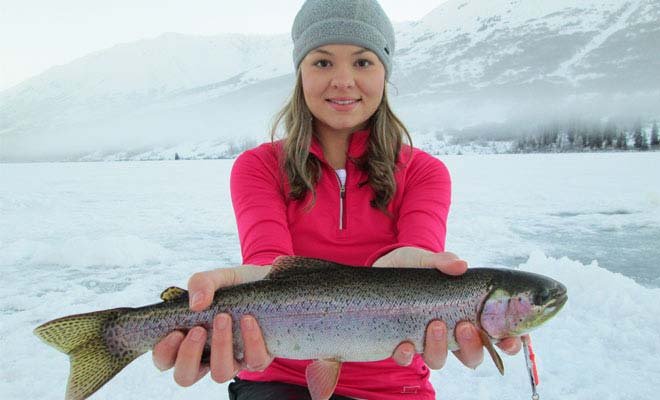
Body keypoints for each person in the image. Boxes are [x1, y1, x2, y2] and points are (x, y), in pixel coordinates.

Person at [152, 0, 521, 398]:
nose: (343, 81)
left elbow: (418, 260)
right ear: (300, 73)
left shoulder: (424, 172)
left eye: (363, 62)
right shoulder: (258, 166)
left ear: (385, 73)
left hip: (395, 386)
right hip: (275, 377)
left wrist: (415, 269)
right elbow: (269, 265)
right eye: (323, 62)